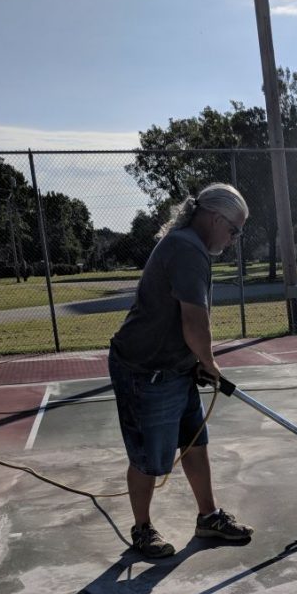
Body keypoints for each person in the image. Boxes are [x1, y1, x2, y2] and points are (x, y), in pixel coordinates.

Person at [108, 182, 253, 558]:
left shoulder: (190, 246)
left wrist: (196, 363)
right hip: (146, 369)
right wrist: (210, 364)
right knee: (149, 459)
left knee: (194, 442)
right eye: (233, 230)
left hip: (175, 365)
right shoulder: (187, 249)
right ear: (214, 218)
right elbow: (194, 321)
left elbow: (188, 324)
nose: (234, 239)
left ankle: (209, 516)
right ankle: (142, 529)